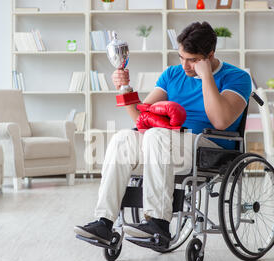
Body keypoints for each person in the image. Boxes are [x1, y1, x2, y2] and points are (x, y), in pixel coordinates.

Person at [74, 21, 252, 248]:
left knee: (156, 136)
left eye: (193, 60)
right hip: (164, 145)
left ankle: (158, 223)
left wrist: (206, 77)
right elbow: (142, 119)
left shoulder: (237, 77)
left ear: (209, 55)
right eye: (181, 57)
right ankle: (104, 222)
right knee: (123, 138)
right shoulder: (172, 75)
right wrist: (124, 88)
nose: (185, 66)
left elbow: (221, 121)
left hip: (208, 147)